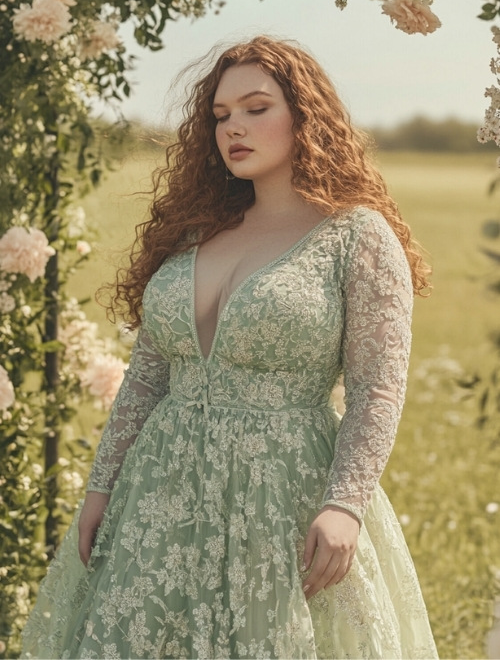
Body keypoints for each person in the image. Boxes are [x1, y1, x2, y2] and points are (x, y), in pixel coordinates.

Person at [22, 35, 438, 659]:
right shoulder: (196, 230)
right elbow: (147, 375)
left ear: (306, 116)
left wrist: (346, 504)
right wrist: (102, 486)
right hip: (160, 493)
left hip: (283, 496)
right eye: (220, 116)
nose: (233, 128)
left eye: (255, 108)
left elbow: (378, 385)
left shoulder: (357, 235)